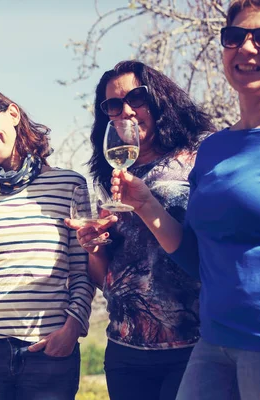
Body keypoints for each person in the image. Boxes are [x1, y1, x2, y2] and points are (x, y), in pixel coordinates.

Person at [110, 1, 260, 399]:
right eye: (234, 37)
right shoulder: (215, 149)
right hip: (213, 342)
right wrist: (145, 205)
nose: (247, 48)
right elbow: (195, 256)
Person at [65, 60, 214, 400]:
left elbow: (216, 242)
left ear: (160, 98)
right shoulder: (110, 177)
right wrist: (94, 247)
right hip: (126, 347)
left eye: (136, 98)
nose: (126, 111)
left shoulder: (202, 154)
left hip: (194, 343)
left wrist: (149, 205)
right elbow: (107, 278)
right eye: (114, 105)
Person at [0, 85, 95, 400]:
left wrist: (72, 328)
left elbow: (82, 272)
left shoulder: (69, 185)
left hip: (47, 351)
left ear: (12, 113)